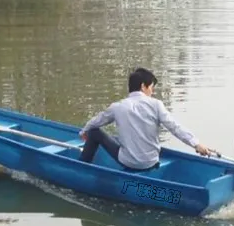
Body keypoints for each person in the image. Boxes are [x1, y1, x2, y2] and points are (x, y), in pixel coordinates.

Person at [78, 67, 212, 171]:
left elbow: (96, 121)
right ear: (143, 86)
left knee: (94, 132)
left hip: (128, 161)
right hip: (151, 162)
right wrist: (196, 144)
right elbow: (175, 127)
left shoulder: (117, 107)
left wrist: (84, 132)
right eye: (151, 88)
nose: (152, 92)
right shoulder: (156, 105)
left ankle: (81, 168)